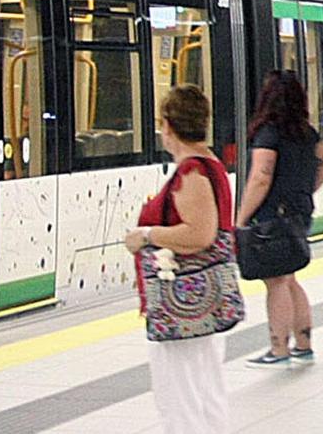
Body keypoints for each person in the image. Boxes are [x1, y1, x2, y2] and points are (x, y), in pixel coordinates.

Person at [125, 85, 231, 433]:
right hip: (203, 302)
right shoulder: (209, 165)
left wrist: (147, 235)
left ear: (168, 126)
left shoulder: (193, 173)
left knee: (179, 400)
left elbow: (200, 234)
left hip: (183, 305)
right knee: (205, 394)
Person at [236, 70, 323, 368]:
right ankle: (304, 344)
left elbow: (261, 177)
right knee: (290, 278)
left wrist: (240, 219)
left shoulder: (269, 133)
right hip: (299, 212)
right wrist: (302, 193)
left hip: (272, 217)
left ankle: (279, 349)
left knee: (276, 282)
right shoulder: (307, 132)